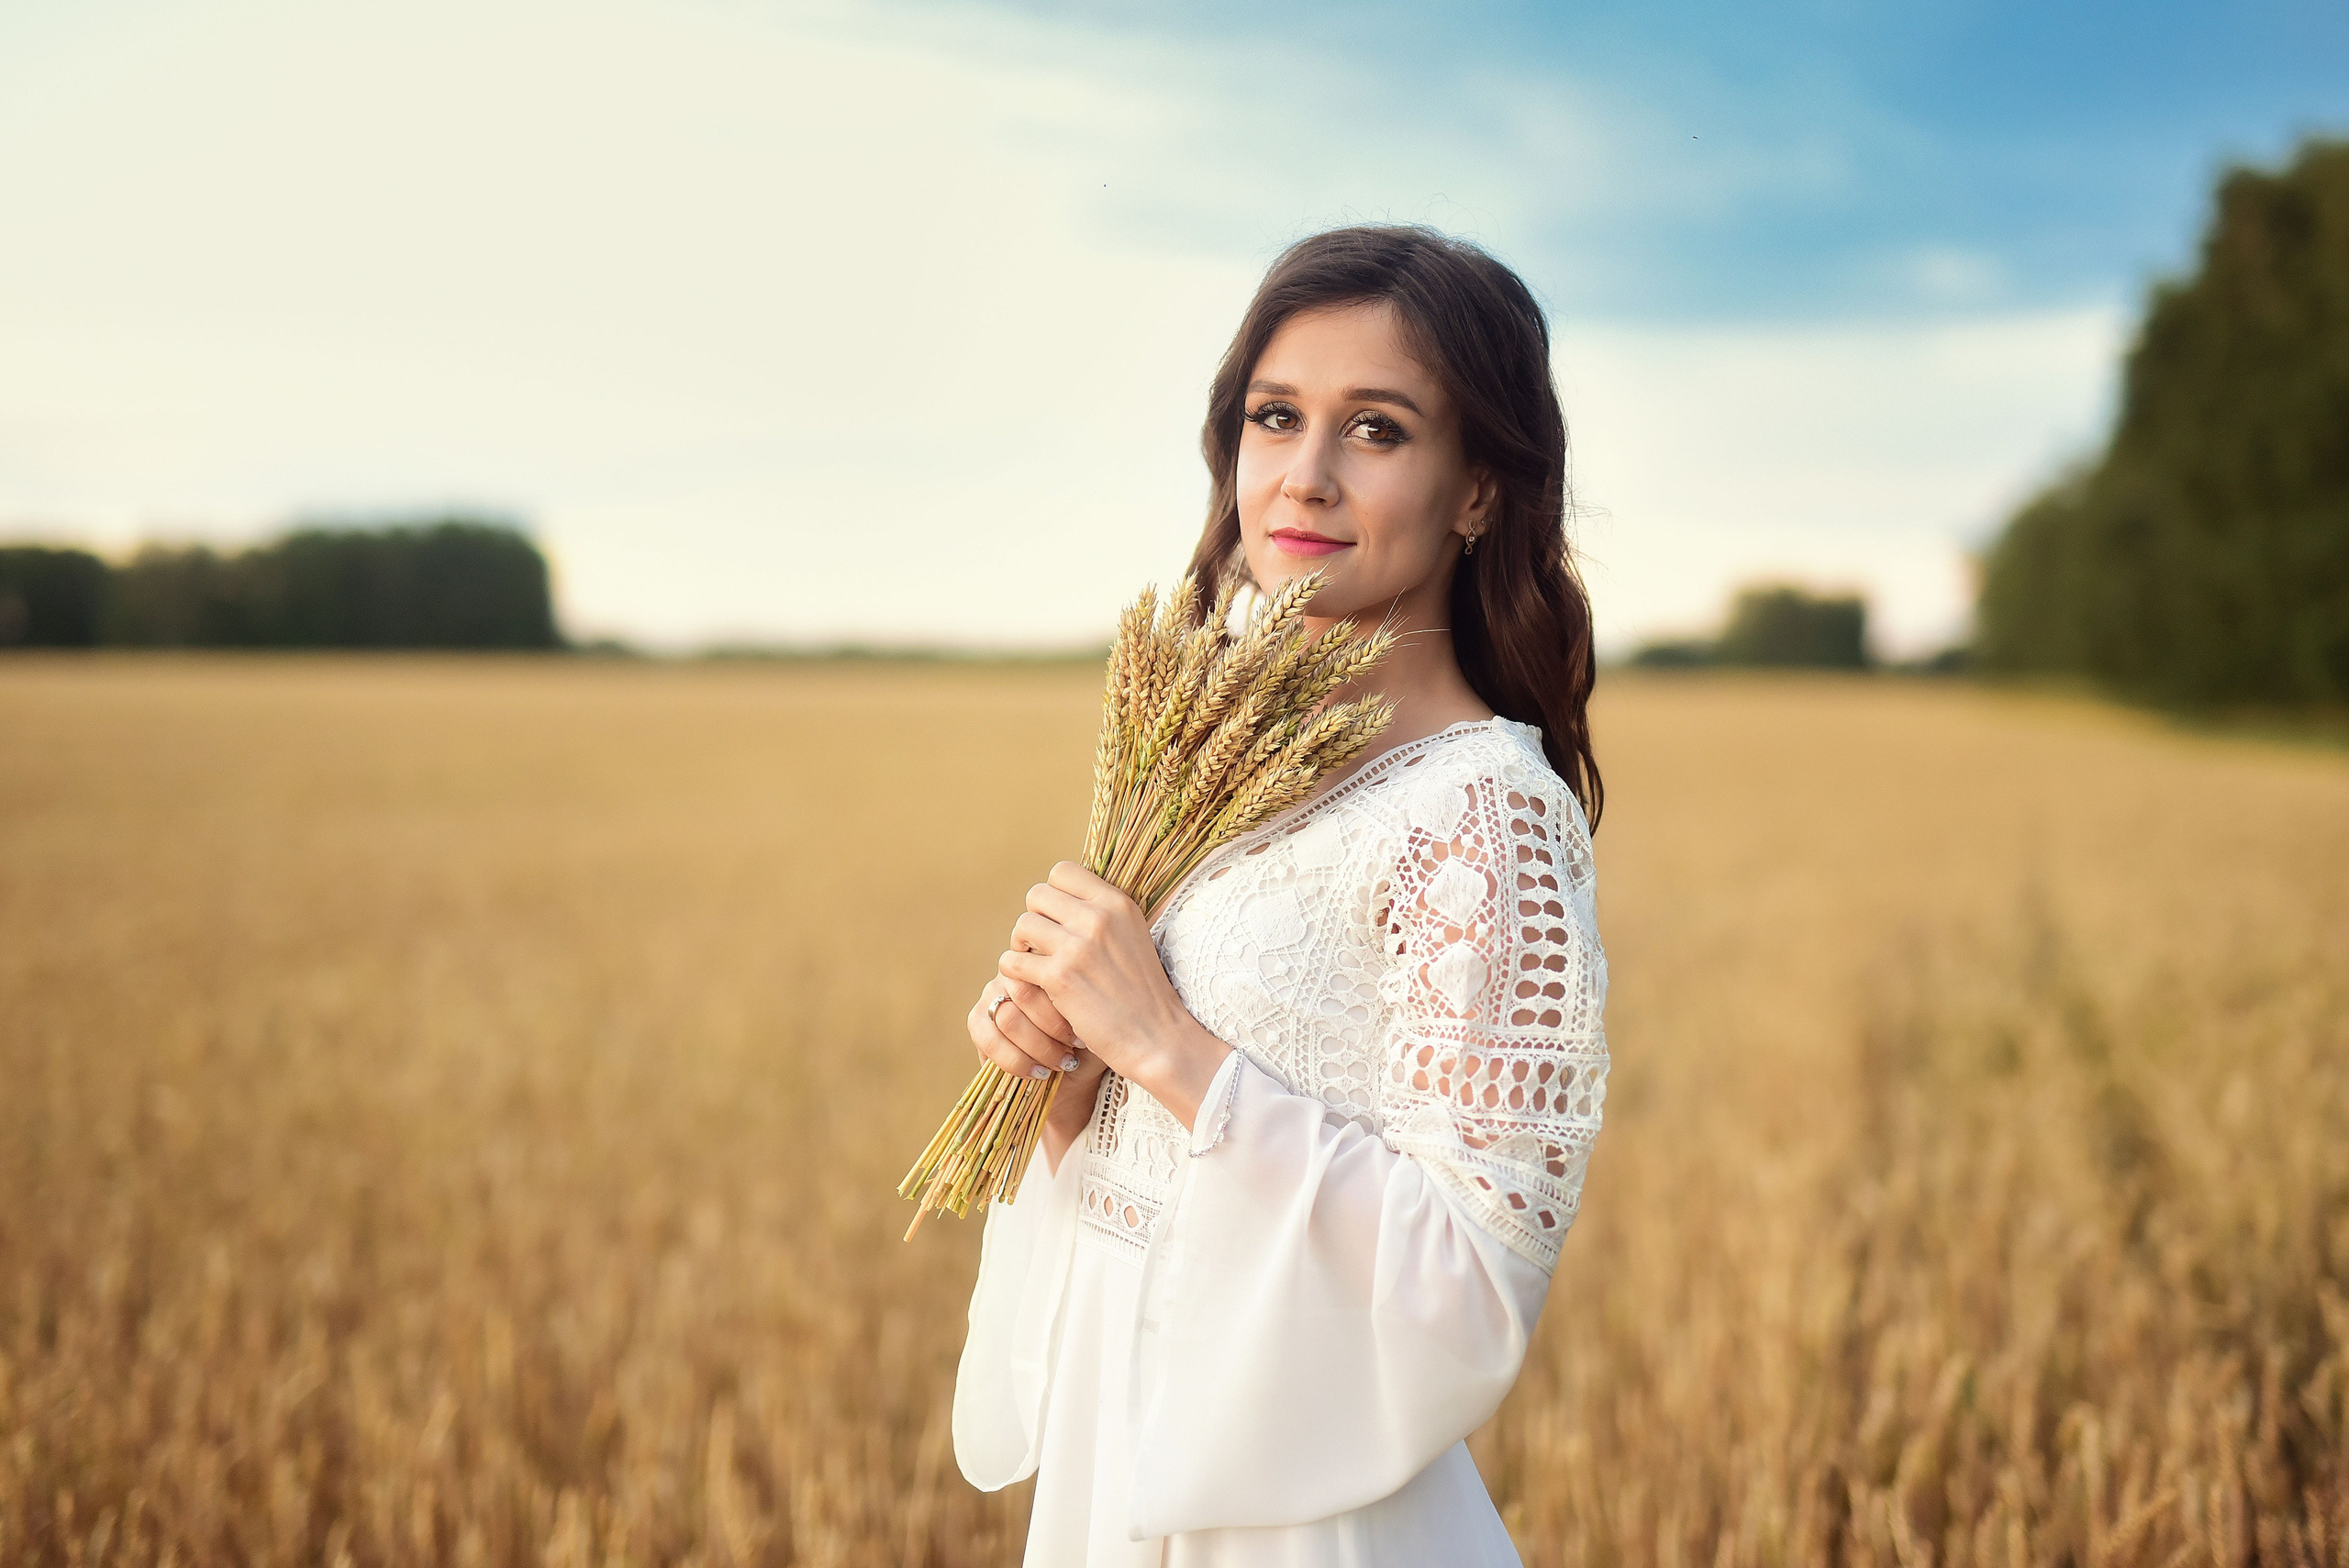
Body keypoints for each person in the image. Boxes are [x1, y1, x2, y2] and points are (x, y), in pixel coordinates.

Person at [952, 225, 1609, 1567]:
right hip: (1118, 1450)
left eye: (1376, 429)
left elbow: (1469, 1277)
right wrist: (1075, 1093)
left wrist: (1166, 1045)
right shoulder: (1216, 780)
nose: (1303, 476)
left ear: (1479, 490)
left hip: (1299, 1520)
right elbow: (1151, 1206)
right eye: (1274, 417)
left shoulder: (1486, 812)